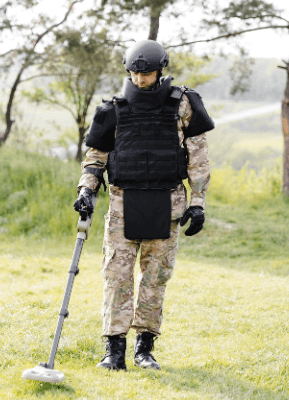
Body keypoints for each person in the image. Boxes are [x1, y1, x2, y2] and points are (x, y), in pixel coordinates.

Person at [73, 39, 213, 371]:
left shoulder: (183, 104)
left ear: (160, 71)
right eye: (135, 74)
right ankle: (114, 350)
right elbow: (95, 159)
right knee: (117, 276)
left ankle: (144, 349)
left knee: (155, 277)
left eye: (147, 74)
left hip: (168, 201)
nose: (140, 80)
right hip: (123, 202)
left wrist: (198, 203)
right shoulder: (113, 109)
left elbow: (198, 158)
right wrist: (86, 191)